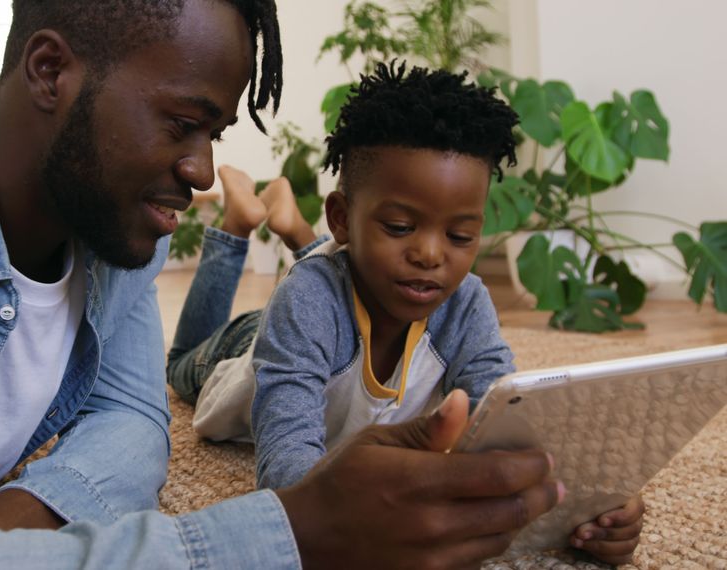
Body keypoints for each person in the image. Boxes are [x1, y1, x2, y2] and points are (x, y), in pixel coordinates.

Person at [0, 2, 564, 568]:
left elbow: (133, 432)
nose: (205, 171)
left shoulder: (107, 220)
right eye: (183, 123)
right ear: (51, 70)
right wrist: (289, 536)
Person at [168, 62, 645, 566]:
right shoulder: (305, 303)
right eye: (399, 226)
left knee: (344, 276)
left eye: (461, 236)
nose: (431, 255)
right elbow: (288, 474)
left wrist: (586, 503)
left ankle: (297, 233)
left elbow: (507, 419)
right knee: (177, 366)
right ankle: (238, 224)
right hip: (242, 349)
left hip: (334, 290)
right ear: (342, 218)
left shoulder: (465, 302)